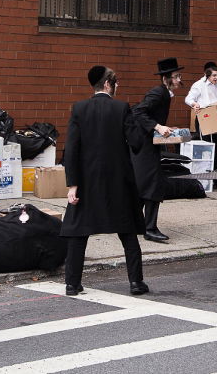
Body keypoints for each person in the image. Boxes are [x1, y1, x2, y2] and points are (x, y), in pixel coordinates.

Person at [61, 66, 150, 297]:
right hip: (118, 181)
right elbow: (137, 143)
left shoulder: (79, 108)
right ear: (108, 84)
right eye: (116, 82)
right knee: (127, 232)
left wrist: (72, 184)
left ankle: (72, 283)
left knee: (78, 232)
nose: (117, 86)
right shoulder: (121, 108)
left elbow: (71, 148)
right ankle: (136, 282)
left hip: (86, 180)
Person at [132, 57, 184, 242]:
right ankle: (149, 228)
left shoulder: (164, 93)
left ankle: (134, 224)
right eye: (177, 76)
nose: (180, 80)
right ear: (166, 78)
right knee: (153, 185)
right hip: (144, 146)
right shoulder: (158, 92)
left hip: (147, 146)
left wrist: (165, 127)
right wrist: (157, 127)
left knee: (144, 185)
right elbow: (138, 112)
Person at [185, 62, 217, 171]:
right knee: (207, 145)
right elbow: (188, 99)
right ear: (207, 75)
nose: (216, 77)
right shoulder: (199, 85)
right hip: (205, 118)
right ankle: (207, 172)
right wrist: (194, 104)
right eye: (214, 75)